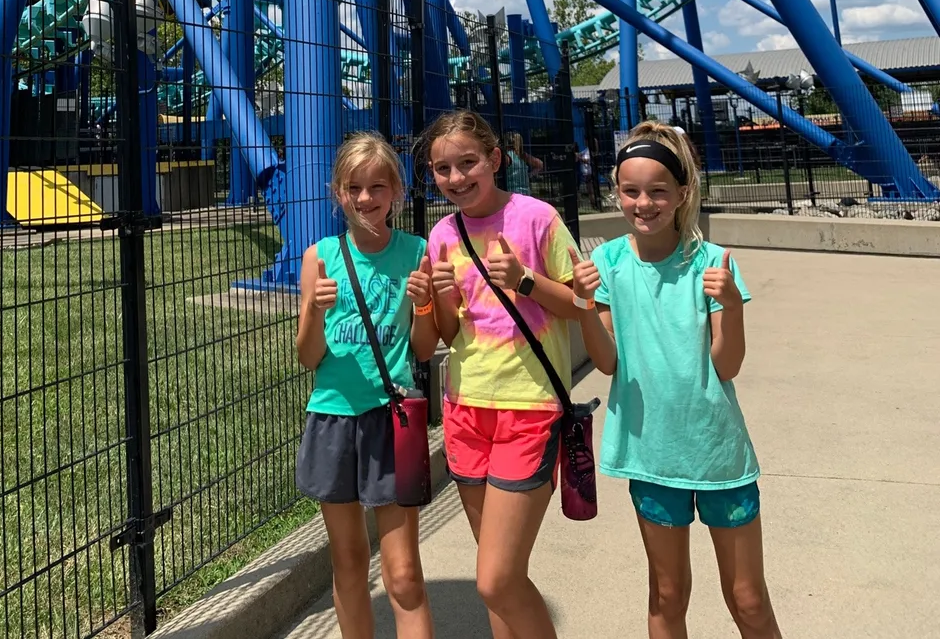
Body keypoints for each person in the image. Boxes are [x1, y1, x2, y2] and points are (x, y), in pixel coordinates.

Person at [573, 120, 782, 639]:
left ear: (683, 192)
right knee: (667, 596)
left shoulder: (712, 265)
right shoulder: (607, 263)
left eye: (658, 191)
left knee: (749, 599)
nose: (644, 204)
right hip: (652, 455)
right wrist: (581, 306)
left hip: (717, 454)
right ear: (616, 193)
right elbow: (608, 362)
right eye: (630, 191)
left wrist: (731, 305)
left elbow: (727, 365)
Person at [425, 110, 577, 639]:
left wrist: (527, 281)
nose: (456, 178)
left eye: (467, 163)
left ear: (494, 159)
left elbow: (583, 303)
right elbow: (449, 333)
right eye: (442, 169)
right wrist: (436, 298)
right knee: (499, 575)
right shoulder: (441, 235)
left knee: (495, 579)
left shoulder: (537, 218)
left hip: (529, 406)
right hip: (466, 407)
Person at [295, 132, 438, 639]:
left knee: (403, 574)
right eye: (354, 187)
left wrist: (424, 305)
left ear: (396, 191)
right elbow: (308, 356)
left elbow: (423, 349)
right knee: (349, 561)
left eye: (378, 186)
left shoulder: (418, 252)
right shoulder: (319, 257)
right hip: (332, 416)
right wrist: (313, 308)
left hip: (390, 420)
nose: (365, 198)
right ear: (338, 192)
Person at [504, 130, 543, 196]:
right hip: (526, 193)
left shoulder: (507, 157)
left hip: (512, 194)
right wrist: (529, 175)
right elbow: (540, 164)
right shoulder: (523, 155)